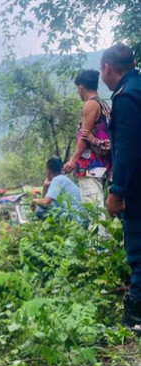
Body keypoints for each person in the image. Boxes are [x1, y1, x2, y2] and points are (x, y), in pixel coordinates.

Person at [100, 44, 141, 332]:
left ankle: (135, 316)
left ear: (107, 68)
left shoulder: (126, 97)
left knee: (138, 246)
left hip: (137, 188)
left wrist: (116, 191)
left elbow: (129, 149)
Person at [63, 69, 111, 207]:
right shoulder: (103, 105)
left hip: (90, 166)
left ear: (81, 87)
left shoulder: (90, 105)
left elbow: (84, 136)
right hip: (102, 164)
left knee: (93, 208)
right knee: (98, 205)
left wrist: (73, 160)